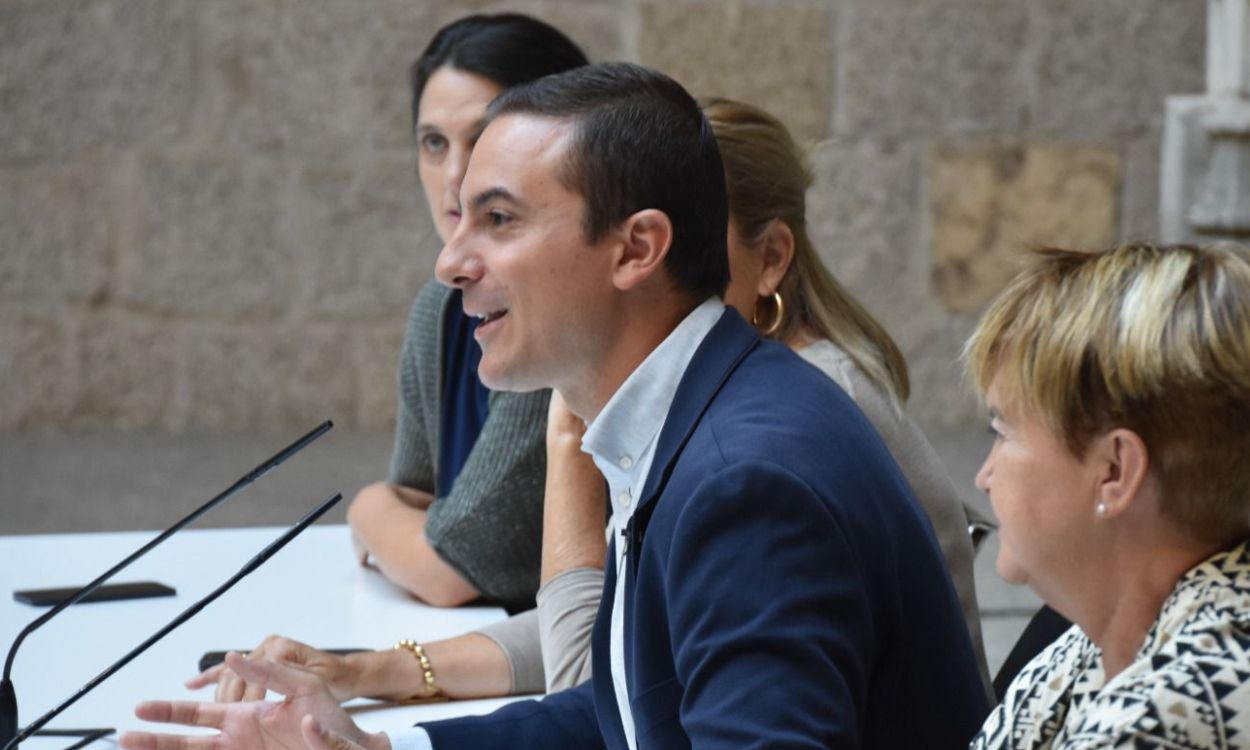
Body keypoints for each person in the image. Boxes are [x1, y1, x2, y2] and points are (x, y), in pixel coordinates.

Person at [122, 62, 989, 750]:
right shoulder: (701, 409)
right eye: (460, 218)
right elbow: (626, 716)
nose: (450, 263)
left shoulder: (743, 481)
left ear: (636, 248)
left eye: (498, 221)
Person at [345, 13, 588, 612]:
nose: (455, 176)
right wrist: (395, 516)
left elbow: (446, 564)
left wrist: (365, 507)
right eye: (434, 143)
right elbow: (417, 503)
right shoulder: (441, 308)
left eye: (482, 139)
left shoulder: (559, 309)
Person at [963, 242, 1250, 747]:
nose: (983, 476)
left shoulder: (1171, 717)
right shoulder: (1092, 645)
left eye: (1002, 432)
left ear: (1114, 471)